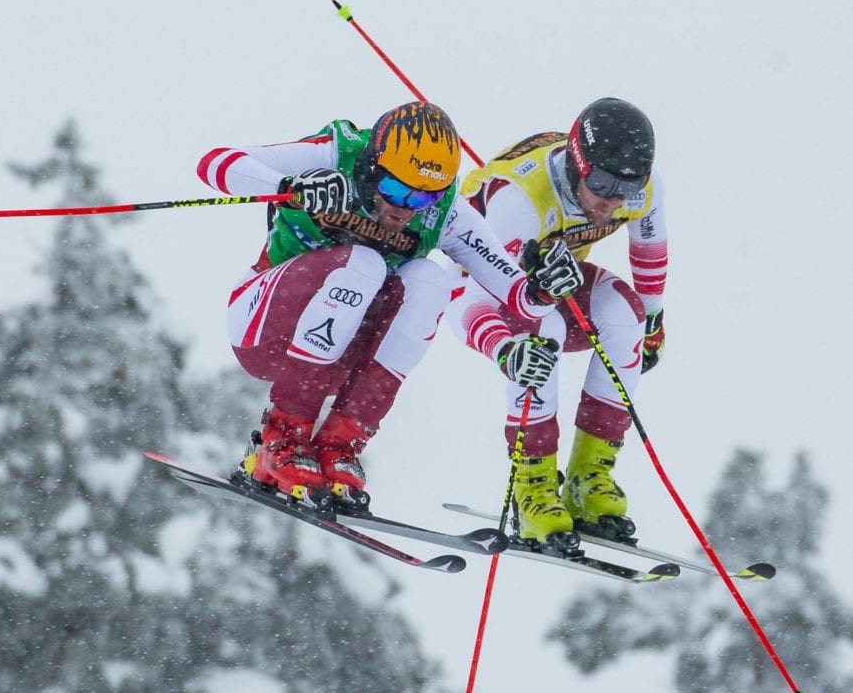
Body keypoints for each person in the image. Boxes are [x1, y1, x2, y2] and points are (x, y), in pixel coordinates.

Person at [195, 102, 574, 513]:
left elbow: (518, 296)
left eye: (424, 197)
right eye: (396, 190)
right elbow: (214, 164)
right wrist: (292, 186)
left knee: (430, 280)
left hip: (334, 360)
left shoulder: (443, 212)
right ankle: (282, 439)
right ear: (372, 166)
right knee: (364, 263)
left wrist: (543, 289)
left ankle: (339, 445)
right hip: (264, 330)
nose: (405, 208)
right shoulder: (337, 154)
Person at [453, 98, 665, 553]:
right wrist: (503, 350)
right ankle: (532, 486)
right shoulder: (520, 202)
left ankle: (589, 478)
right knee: (542, 329)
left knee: (627, 315)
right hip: (477, 287)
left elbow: (650, 248)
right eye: (601, 183)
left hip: (551, 282)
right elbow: (472, 299)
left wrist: (654, 320)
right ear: (577, 165)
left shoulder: (638, 191)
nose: (612, 200)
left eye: (627, 187)